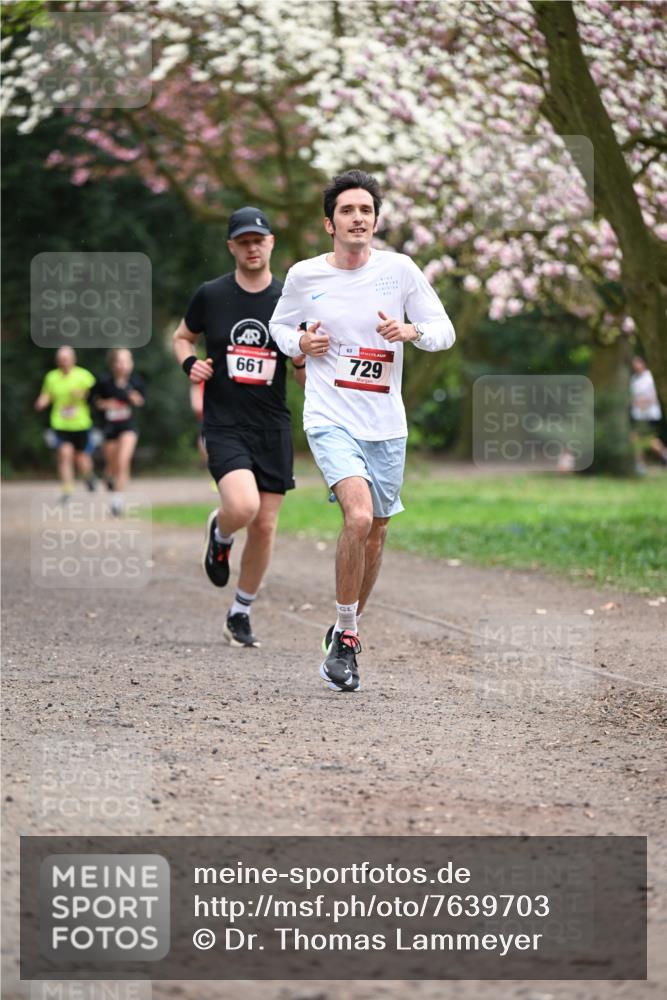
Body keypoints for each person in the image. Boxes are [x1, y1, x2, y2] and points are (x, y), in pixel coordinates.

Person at [270, 169, 455, 692]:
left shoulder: (399, 270)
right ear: (329, 223)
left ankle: (344, 630)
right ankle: (347, 637)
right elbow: (279, 327)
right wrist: (300, 344)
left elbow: (444, 331)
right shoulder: (305, 275)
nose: (358, 218)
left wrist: (411, 331)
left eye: (366, 211)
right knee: (358, 515)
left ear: (375, 221)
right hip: (330, 416)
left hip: (385, 424)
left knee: (377, 530)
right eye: (347, 210)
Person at [172, 206, 305, 648]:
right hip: (224, 422)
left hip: (272, 425)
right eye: (243, 241)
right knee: (244, 506)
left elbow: (303, 374)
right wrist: (190, 364)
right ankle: (222, 531)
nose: (252, 248)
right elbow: (182, 337)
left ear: (271, 243)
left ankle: (240, 612)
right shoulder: (211, 295)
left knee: (265, 526)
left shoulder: (290, 300)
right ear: (231, 246)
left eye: (258, 240)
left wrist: (303, 360)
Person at [34, 345, 97, 502]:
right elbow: (47, 395)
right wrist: (41, 402)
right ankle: (67, 490)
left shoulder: (84, 376)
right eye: (61, 359)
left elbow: (96, 395)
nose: (64, 362)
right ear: (57, 361)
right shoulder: (51, 377)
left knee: (81, 459)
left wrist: (83, 394)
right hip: (60, 424)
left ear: (73, 359)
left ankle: (88, 476)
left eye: (66, 359)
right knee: (64, 455)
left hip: (81, 424)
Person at [92, 348, 146, 516]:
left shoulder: (136, 382)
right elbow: (95, 401)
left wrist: (134, 398)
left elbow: (142, 401)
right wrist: (107, 404)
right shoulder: (104, 382)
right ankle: (108, 476)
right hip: (109, 427)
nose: (125, 365)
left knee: (123, 461)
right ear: (113, 364)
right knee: (112, 464)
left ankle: (117, 502)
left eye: (128, 361)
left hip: (128, 427)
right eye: (121, 361)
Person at [629, 355, 667, 473]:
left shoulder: (650, 378)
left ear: (643, 363)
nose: (636, 366)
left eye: (638, 363)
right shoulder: (634, 379)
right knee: (636, 439)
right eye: (634, 364)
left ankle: (642, 464)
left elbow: (654, 395)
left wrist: (643, 402)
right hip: (638, 414)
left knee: (648, 440)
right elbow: (633, 397)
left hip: (650, 414)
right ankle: (640, 465)